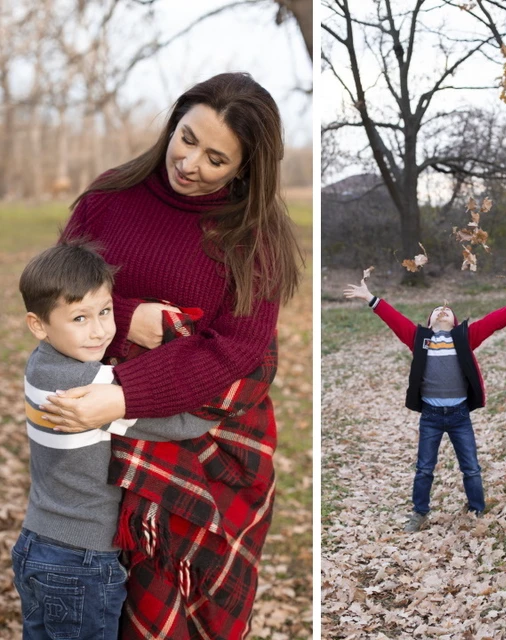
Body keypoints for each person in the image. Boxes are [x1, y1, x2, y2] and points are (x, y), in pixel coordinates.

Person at [38, 72, 302, 639]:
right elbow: (56, 294)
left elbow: (239, 349)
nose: (190, 164)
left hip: (204, 449)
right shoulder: (109, 198)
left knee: (169, 612)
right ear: (172, 125)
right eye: (186, 139)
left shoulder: (255, 237)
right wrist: (127, 314)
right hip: (92, 449)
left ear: (245, 169)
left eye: (216, 158)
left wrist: (124, 396)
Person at [14, 242, 241, 639]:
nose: (100, 329)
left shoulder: (43, 364)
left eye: (104, 312)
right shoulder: (88, 388)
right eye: (80, 318)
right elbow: (179, 423)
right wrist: (218, 400)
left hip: (38, 544)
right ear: (39, 324)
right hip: (81, 558)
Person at [342, 279, 506, 532]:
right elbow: (394, 319)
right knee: (424, 468)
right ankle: (420, 513)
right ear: (429, 323)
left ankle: (476, 509)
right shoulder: (419, 339)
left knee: (470, 467)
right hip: (431, 416)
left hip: (459, 415)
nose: (442, 310)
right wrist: (370, 298)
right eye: (437, 311)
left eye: (447, 310)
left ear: (455, 322)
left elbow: (492, 322)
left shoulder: (464, 338)